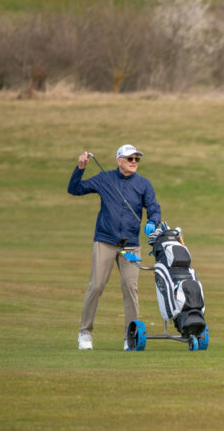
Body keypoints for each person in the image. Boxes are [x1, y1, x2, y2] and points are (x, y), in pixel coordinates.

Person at [68, 144, 161, 350]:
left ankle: (130, 336)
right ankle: (85, 332)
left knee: (130, 288)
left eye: (137, 159)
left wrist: (152, 222)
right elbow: (74, 189)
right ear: (119, 161)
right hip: (105, 241)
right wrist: (80, 168)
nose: (134, 162)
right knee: (96, 286)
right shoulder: (105, 178)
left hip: (131, 245)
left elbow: (154, 208)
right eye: (130, 159)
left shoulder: (144, 184)